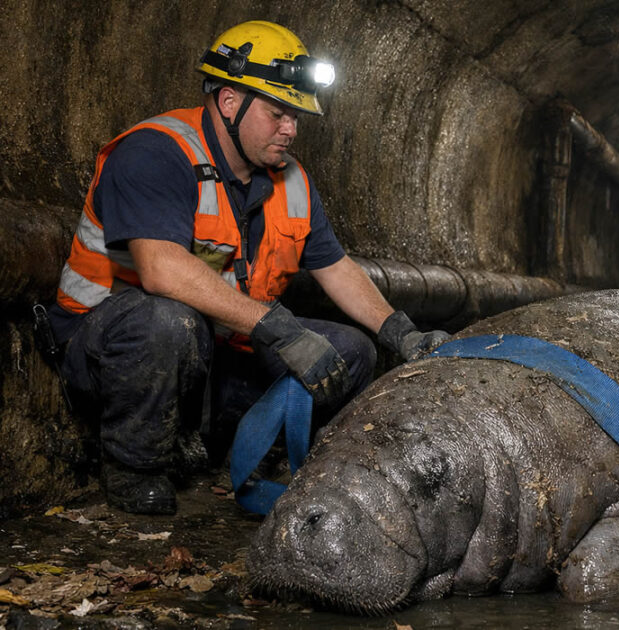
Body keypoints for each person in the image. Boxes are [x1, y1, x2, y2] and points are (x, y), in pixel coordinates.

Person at [49, 21, 450, 515]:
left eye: (296, 116)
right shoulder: (156, 152)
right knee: (168, 322)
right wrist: (278, 328)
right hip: (110, 350)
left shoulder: (291, 179)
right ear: (229, 102)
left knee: (350, 351)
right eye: (278, 113)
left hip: (218, 348)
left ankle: (253, 454)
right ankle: (135, 467)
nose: (291, 129)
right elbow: (159, 269)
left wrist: (400, 333)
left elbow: (337, 268)